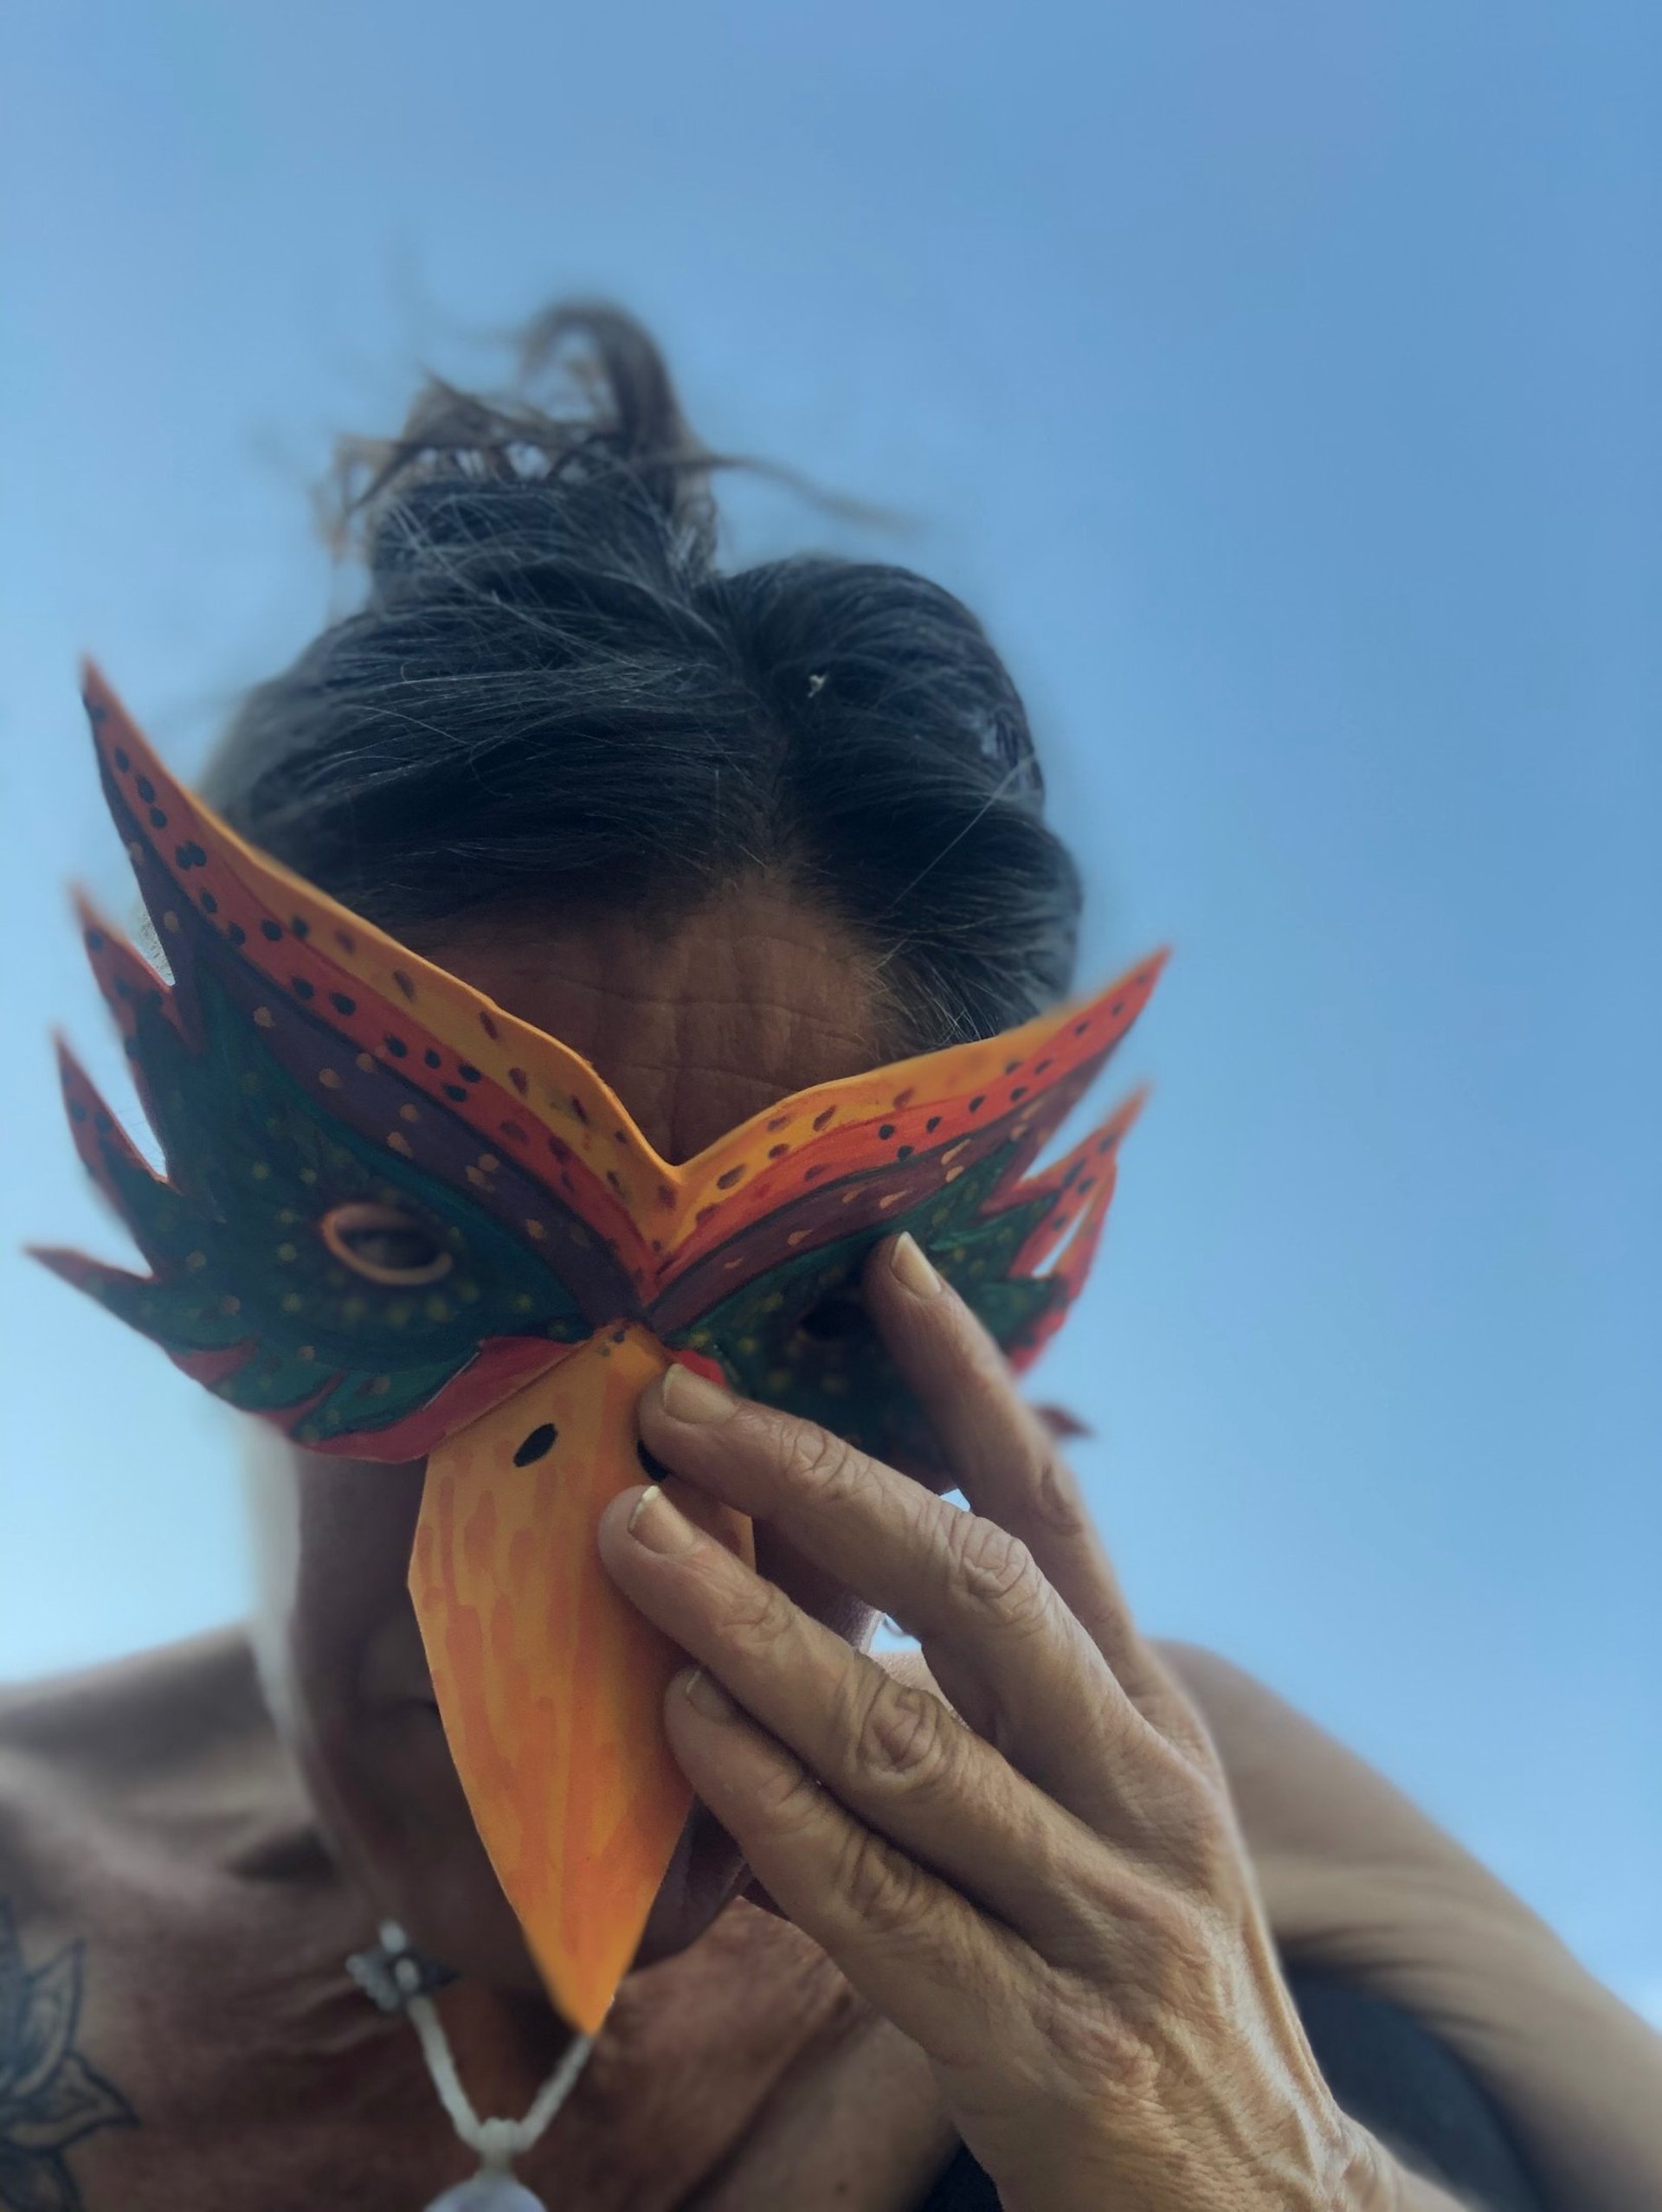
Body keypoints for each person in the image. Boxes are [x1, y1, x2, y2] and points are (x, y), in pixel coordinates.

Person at [3, 305, 1657, 2212]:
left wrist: (1284, 2179)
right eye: (411, 1255)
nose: (640, 1538)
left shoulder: (1159, 1835)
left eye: (797, 1318)